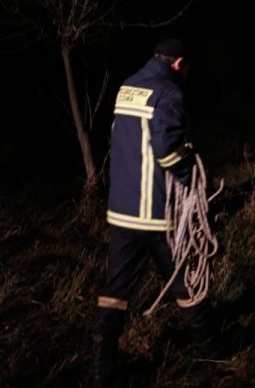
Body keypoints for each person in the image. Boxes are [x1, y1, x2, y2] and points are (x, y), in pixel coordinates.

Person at [91, 38, 218, 385]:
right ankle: (211, 353)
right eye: (187, 69)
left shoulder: (128, 87)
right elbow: (167, 150)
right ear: (179, 64)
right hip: (157, 215)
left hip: (121, 212)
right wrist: (189, 175)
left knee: (116, 290)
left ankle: (103, 368)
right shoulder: (169, 93)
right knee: (186, 279)